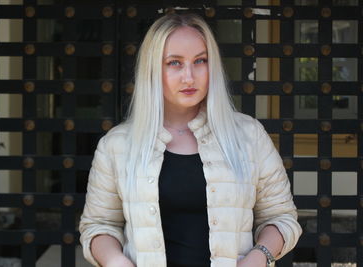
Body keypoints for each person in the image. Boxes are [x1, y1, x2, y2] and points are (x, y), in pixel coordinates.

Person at [79, 13, 302, 267]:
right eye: (174, 63)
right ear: (153, 69)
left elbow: (281, 218)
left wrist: (258, 257)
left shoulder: (248, 136)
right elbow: (98, 226)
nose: (189, 76)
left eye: (200, 61)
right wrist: (116, 261)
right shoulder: (117, 146)